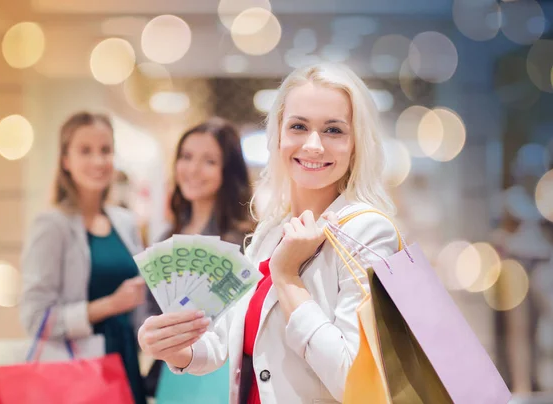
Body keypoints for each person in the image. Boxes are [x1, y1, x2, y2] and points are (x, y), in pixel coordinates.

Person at [138, 62, 400, 404]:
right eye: (298, 126)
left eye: (333, 130)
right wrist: (175, 347)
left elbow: (354, 380)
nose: (313, 145)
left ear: (356, 143)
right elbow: (221, 342)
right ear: (278, 135)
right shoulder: (270, 231)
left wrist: (287, 277)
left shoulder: (367, 232)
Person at [20, 112, 148, 404]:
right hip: (77, 370)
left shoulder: (125, 222)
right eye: (85, 151)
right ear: (66, 160)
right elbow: (35, 319)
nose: (98, 161)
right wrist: (109, 305)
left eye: (105, 150)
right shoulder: (52, 225)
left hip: (125, 360)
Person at [145, 117, 254, 402]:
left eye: (209, 161)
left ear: (228, 172)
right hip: (171, 373)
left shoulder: (245, 241)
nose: (193, 169)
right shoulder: (165, 239)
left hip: (222, 374)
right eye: (186, 157)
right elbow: (149, 311)